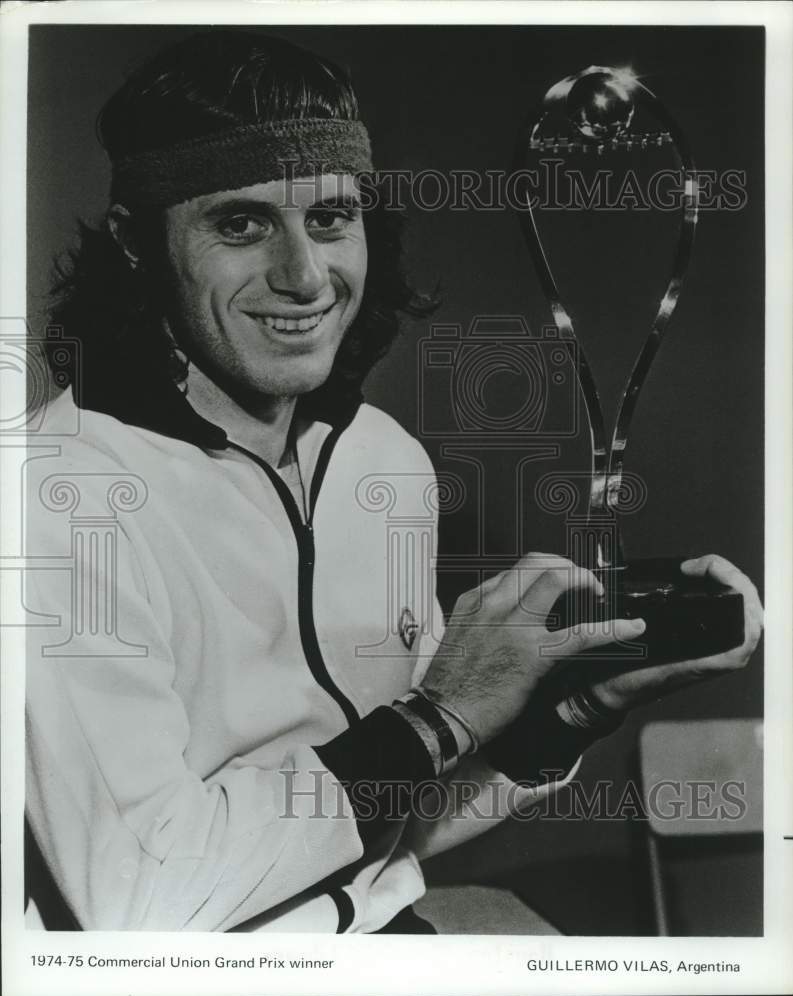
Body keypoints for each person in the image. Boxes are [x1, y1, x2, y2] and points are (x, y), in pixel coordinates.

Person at [24, 30, 763, 933]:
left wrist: (566, 714)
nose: (303, 277)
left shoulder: (383, 459)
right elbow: (138, 898)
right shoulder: (54, 498)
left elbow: (391, 821)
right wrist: (442, 713)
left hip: (387, 944)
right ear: (137, 243)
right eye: (241, 223)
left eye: (330, 219)